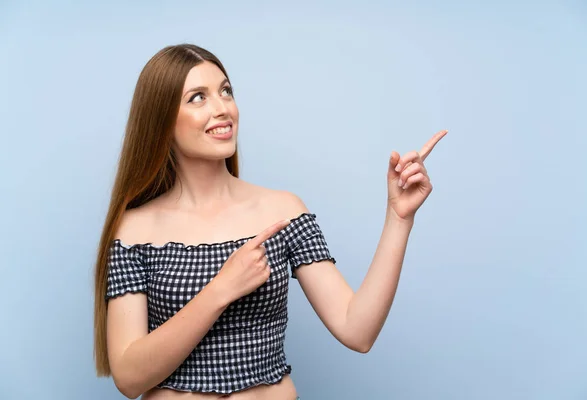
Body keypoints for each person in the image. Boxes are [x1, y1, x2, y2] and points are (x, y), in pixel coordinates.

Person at [93, 43, 447, 400]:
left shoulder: (283, 211)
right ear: (161, 120)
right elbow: (128, 377)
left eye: (225, 91)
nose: (221, 108)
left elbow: (358, 330)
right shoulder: (134, 232)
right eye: (197, 98)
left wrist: (399, 218)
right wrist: (220, 290)